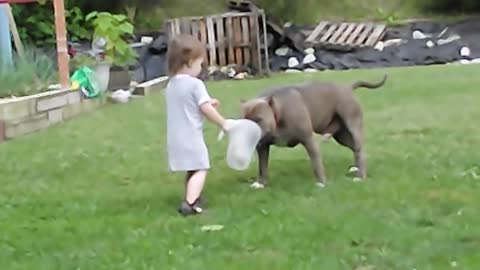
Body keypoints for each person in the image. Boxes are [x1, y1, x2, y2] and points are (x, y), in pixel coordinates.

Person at [165, 33, 232, 216]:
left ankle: (194, 195)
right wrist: (223, 123)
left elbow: (188, 103)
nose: (200, 68)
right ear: (189, 62)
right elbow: (204, 109)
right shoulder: (196, 84)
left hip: (175, 138)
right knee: (202, 167)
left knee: (192, 167)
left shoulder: (171, 85)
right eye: (199, 64)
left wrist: (208, 101)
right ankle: (190, 203)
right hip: (191, 136)